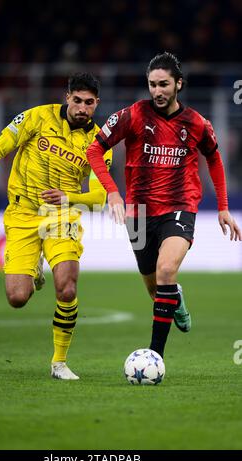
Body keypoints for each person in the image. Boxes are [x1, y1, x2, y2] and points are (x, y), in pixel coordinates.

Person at [0, 72, 112, 379]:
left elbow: (101, 197)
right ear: (68, 97)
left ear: (96, 104)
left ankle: (59, 362)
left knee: (67, 287)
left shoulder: (99, 142)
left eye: (89, 103)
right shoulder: (36, 118)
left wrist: (69, 198)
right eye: (77, 100)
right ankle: (34, 267)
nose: (82, 108)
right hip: (22, 214)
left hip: (61, 217)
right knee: (17, 298)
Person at [86, 52, 242, 358]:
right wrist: (113, 193)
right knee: (154, 287)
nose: (157, 91)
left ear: (178, 84)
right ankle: (176, 298)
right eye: (152, 84)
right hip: (140, 212)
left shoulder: (196, 123)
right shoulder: (132, 115)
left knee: (166, 269)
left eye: (164, 84)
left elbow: (214, 158)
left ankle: (154, 355)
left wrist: (223, 206)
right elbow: (95, 150)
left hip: (180, 205)